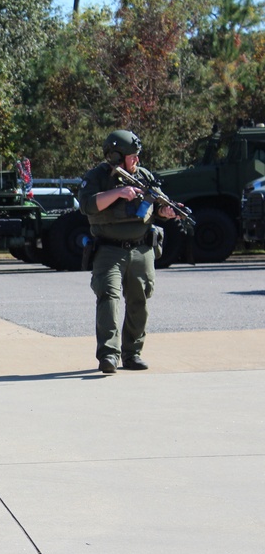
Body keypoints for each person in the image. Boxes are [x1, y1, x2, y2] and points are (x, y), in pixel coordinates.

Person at [79, 130, 177, 373]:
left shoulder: (143, 177)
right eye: (132, 157)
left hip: (141, 248)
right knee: (108, 298)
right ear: (115, 157)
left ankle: (132, 353)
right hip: (109, 249)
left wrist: (165, 212)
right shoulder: (97, 177)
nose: (137, 161)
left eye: (137, 156)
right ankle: (109, 355)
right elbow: (88, 205)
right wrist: (119, 192)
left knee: (139, 301)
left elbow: (156, 207)